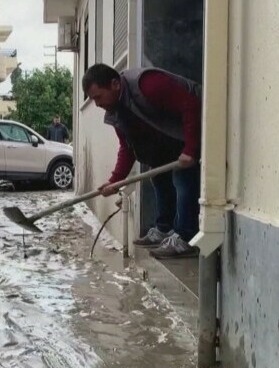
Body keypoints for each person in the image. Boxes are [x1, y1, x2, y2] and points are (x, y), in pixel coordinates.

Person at [82, 64, 202, 259]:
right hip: (170, 140)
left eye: (98, 97)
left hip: (197, 125)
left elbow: (191, 105)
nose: (97, 104)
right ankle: (165, 228)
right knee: (158, 175)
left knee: (183, 177)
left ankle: (186, 238)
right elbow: (127, 148)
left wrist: (190, 149)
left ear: (114, 84)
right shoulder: (115, 111)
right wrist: (115, 181)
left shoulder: (148, 84)